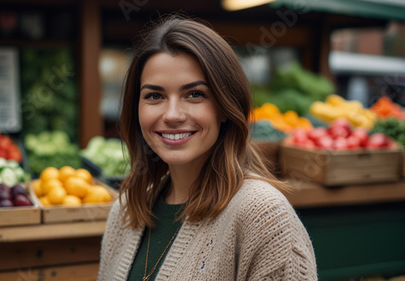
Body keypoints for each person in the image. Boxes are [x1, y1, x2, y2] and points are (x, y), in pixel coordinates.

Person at [97, 15, 317, 281]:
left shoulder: (265, 216)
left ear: (225, 107)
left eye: (194, 94)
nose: (173, 115)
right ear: (136, 109)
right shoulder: (125, 212)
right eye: (155, 96)